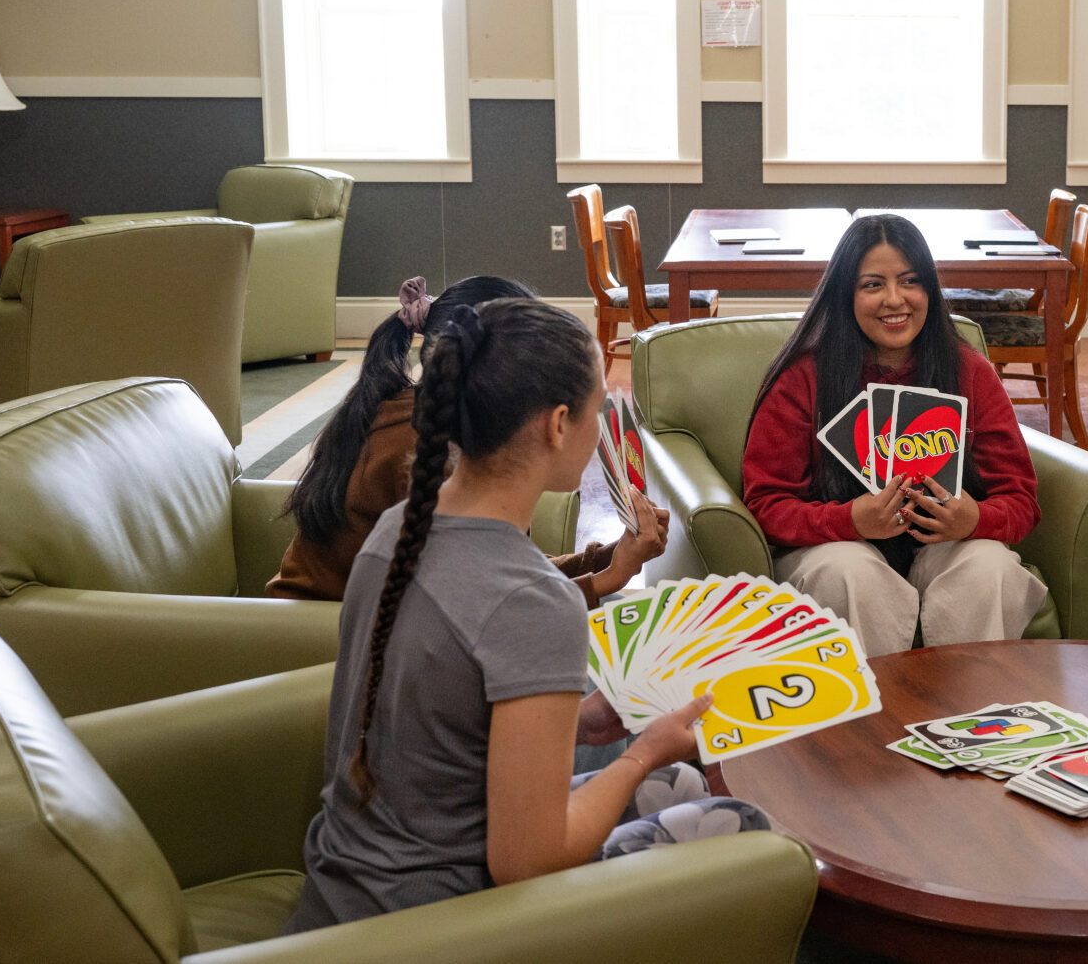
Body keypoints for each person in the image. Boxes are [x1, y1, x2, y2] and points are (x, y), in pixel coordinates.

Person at [286, 298, 769, 930]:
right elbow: (527, 862)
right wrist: (639, 753)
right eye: (601, 405)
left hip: (350, 887)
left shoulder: (398, 529)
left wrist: (583, 725)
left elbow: (447, 725)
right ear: (559, 423)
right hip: (442, 921)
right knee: (745, 826)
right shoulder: (533, 603)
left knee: (681, 783)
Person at [742, 214, 1045, 658]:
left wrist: (974, 519)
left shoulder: (969, 371)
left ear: (930, 290)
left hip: (942, 549)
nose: (894, 299)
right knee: (848, 570)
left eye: (910, 280)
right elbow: (765, 504)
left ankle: (969, 714)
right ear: (845, 293)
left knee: (989, 565)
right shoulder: (802, 376)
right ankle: (868, 723)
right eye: (872, 285)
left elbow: (1020, 500)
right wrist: (847, 521)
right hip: (835, 551)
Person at [271, 275, 663, 607]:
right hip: (317, 645)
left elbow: (495, 573)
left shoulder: (445, 425)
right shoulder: (430, 454)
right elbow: (481, 609)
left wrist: (613, 558)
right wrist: (609, 577)